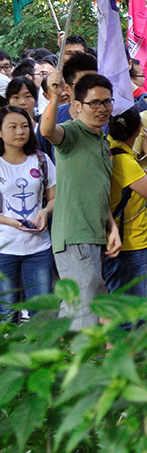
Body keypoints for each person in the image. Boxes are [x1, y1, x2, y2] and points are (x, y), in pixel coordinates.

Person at [40, 72, 122, 329]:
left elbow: (97, 189)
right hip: (74, 236)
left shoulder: (101, 139)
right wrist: (55, 94)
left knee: (84, 310)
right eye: (94, 103)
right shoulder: (73, 132)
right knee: (83, 315)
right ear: (77, 106)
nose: (102, 108)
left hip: (94, 234)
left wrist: (112, 228)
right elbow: (47, 130)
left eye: (106, 101)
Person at [103, 107, 147, 317]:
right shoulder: (122, 160)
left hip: (139, 241)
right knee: (135, 316)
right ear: (139, 129)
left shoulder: (113, 149)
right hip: (128, 246)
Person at [0, 106, 56, 320]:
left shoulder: (41, 160)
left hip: (38, 248)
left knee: (42, 314)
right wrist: (9, 221)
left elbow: (54, 197)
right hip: (4, 249)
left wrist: (45, 212)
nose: (20, 131)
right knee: (7, 314)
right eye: (12, 127)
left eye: (25, 126)